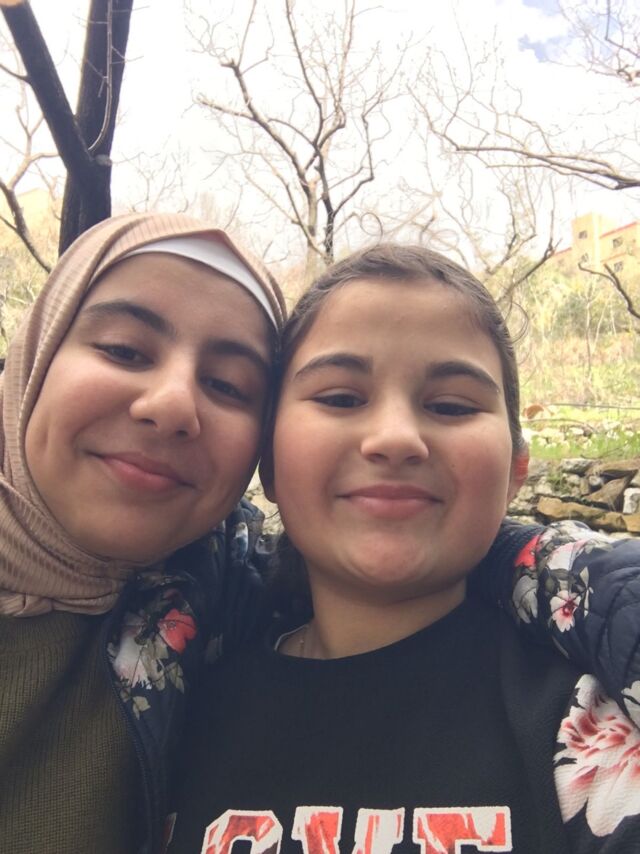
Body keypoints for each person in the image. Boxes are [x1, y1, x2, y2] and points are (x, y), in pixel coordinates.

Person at [169, 244, 640, 854]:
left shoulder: (588, 727)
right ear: (270, 463)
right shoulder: (170, 716)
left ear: (516, 470)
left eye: (450, 406)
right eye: (341, 398)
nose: (395, 438)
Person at [0, 211, 285, 854]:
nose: (173, 404)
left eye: (228, 385)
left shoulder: (239, 605)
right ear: (36, 359)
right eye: (124, 350)